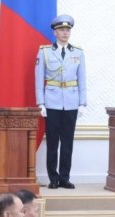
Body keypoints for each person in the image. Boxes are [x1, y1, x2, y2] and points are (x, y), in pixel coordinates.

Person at [35, 14, 87, 189]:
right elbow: (38, 78)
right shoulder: (45, 52)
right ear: (55, 33)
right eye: (62, 30)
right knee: (52, 142)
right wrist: (41, 103)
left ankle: (65, 177)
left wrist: (82, 103)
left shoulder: (78, 52)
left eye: (68, 30)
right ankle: (53, 178)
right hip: (52, 102)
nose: (65, 33)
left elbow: (82, 79)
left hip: (71, 102)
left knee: (67, 142)